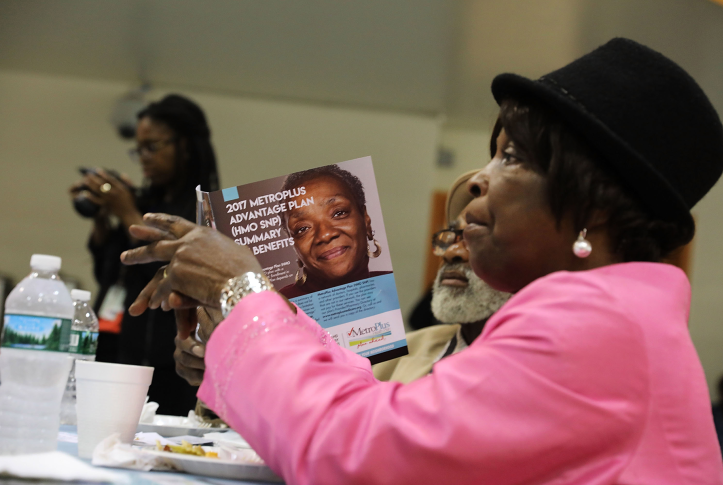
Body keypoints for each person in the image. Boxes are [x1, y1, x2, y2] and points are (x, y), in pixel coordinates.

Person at [122, 38, 723, 483]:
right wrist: (243, 335)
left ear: (596, 206)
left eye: (511, 157)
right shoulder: (609, 316)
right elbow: (395, 415)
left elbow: (360, 452)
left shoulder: (592, 325)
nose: (477, 182)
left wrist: (243, 293)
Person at [69, 94, 219, 415]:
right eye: (139, 149)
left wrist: (126, 212)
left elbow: (181, 268)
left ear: (186, 145)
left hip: (174, 364)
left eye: (153, 147)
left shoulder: (206, 209)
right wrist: (101, 218)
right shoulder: (143, 202)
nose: (143, 158)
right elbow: (111, 276)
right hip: (124, 352)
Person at [374, 170, 510, 383]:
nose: (451, 252)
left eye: (476, 236)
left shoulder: (550, 370)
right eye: (451, 236)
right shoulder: (396, 356)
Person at [278, 164, 390, 298]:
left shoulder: (395, 286)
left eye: (339, 213)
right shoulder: (280, 305)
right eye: (303, 228)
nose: (324, 235)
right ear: (295, 247)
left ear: (365, 220)